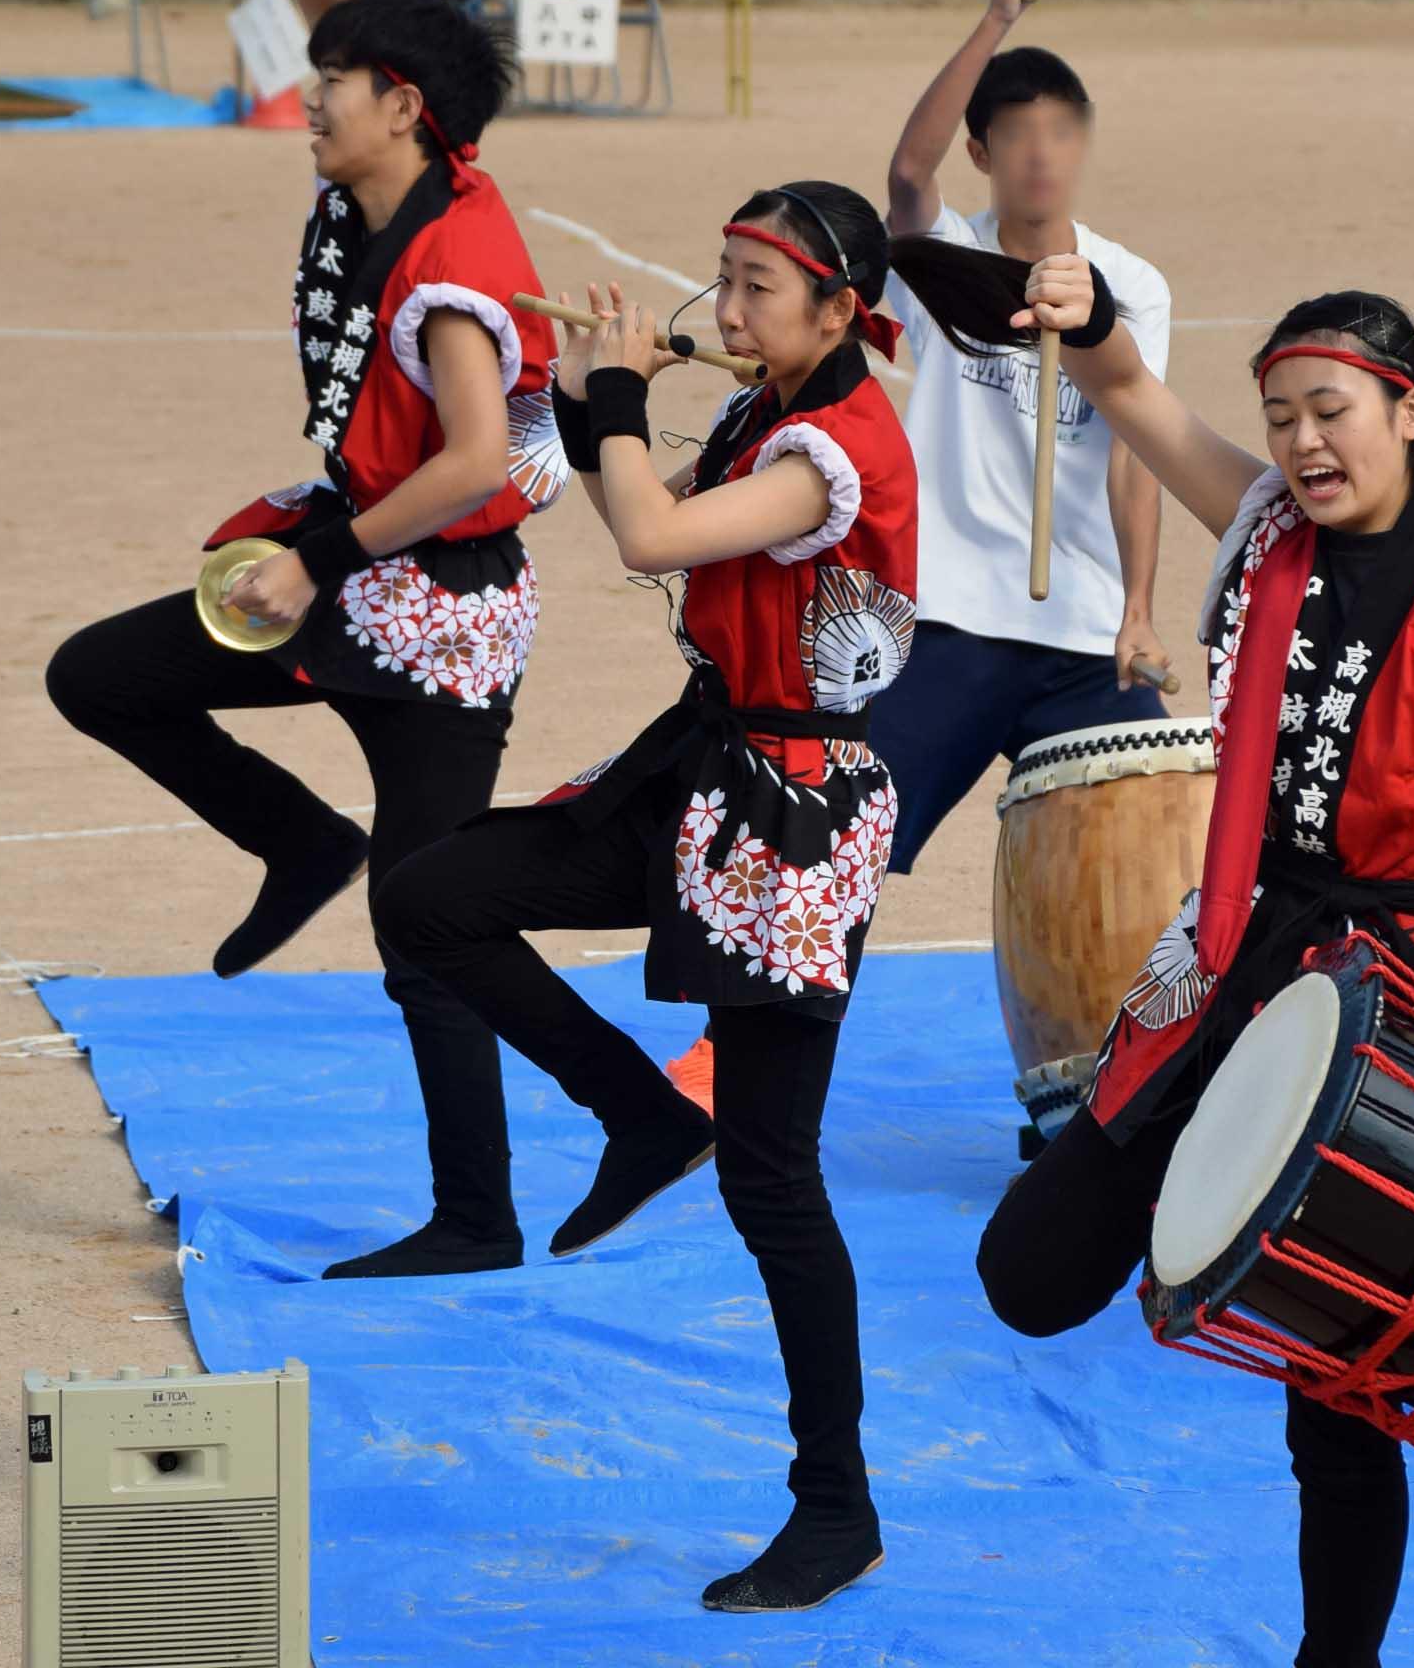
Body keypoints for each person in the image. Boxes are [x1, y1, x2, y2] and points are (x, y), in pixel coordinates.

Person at [924, 221, 1414, 1668]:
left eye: (1326, 413)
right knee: (1029, 1270)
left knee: (1334, 1395)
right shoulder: (1271, 525)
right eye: (1281, 417)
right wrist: (1087, 320)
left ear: (1410, 409)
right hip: (1230, 947)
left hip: (1404, 992)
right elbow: (1142, 404)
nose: (1300, 443)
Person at [372, 183, 1021, 1611]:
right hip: (700, 767)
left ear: (842, 311)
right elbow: (566, 479)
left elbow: (651, 538)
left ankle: (836, 1506)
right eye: (720, 281)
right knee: (429, 900)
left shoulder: (835, 449)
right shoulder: (768, 402)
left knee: (775, 1180)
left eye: (755, 289)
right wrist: (570, 394)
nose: (725, 313)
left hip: (795, 816)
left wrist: (612, 393)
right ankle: (640, 1106)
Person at [43, 0, 565, 1283]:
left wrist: (316, 559)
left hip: (433, 608)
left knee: (429, 926)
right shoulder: (388, 166)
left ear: (399, 112)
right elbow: (361, 25)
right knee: (102, 677)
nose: (307, 90)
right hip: (356, 564)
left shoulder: (450, 265)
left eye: (329, 86)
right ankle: (295, 838)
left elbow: (471, 459)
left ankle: (477, 1217)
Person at [873, 0, 1175, 876]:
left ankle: (1176, 1034)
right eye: (1016, 134)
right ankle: (740, 1033)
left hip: (1081, 632)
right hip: (944, 619)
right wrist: (998, 13)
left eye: (1059, 132)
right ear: (982, 148)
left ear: (1082, 143)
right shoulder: (937, 261)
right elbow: (906, 176)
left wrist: (1138, 609)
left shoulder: (1131, 283)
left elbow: (1138, 449)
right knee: (841, 849)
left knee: (1163, 851)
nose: (1040, 154)